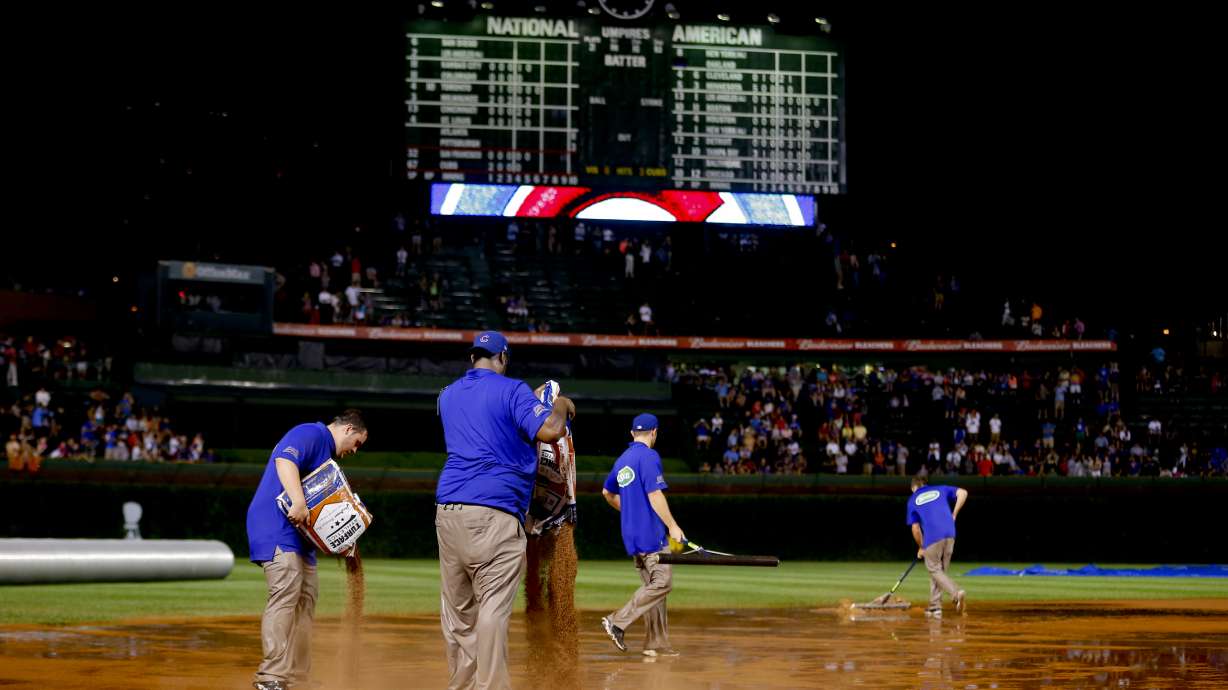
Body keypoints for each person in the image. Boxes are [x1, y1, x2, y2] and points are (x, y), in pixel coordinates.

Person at [435, 331, 575, 690]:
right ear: (503, 359)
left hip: (448, 511)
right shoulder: (512, 389)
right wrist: (561, 404)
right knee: (492, 610)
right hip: (494, 512)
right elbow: (551, 429)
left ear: (472, 359)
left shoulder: (447, 396)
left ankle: (461, 686)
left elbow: (484, 429)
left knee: (458, 615)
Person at [247, 409, 369, 690]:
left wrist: (342, 541)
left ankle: (297, 676)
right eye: (358, 443)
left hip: (300, 537)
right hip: (275, 527)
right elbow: (285, 460)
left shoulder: (326, 455)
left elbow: (324, 513)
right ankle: (270, 678)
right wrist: (298, 502)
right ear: (348, 429)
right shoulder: (311, 433)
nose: (355, 450)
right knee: (286, 596)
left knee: (306, 600)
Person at [600, 414, 684, 658]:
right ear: (654, 432)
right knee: (662, 584)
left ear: (632, 434)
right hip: (651, 534)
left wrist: (630, 511)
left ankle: (655, 643)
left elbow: (607, 492)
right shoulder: (649, 456)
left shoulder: (623, 459)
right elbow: (655, 495)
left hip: (631, 535)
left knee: (653, 590)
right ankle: (617, 621)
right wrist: (673, 526)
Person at [906, 475, 968, 618]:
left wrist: (921, 547)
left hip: (933, 536)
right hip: (950, 533)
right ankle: (935, 607)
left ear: (913, 487)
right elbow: (963, 493)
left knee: (934, 569)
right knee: (939, 572)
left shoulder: (913, 500)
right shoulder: (941, 489)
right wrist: (954, 513)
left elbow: (915, 529)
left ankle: (956, 593)